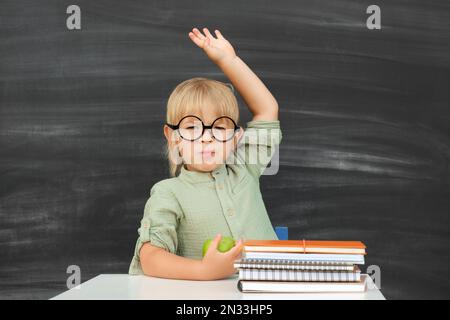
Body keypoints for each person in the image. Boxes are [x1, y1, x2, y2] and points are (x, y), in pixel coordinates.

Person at [129, 27, 282, 280]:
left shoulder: (244, 166)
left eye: (219, 127)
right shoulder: (169, 192)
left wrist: (229, 61)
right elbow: (150, 256)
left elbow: (267, 109)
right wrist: (204, 270)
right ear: (173, 137)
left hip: (273, 291)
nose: (207, 136)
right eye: (192, 127)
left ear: (236, 138)